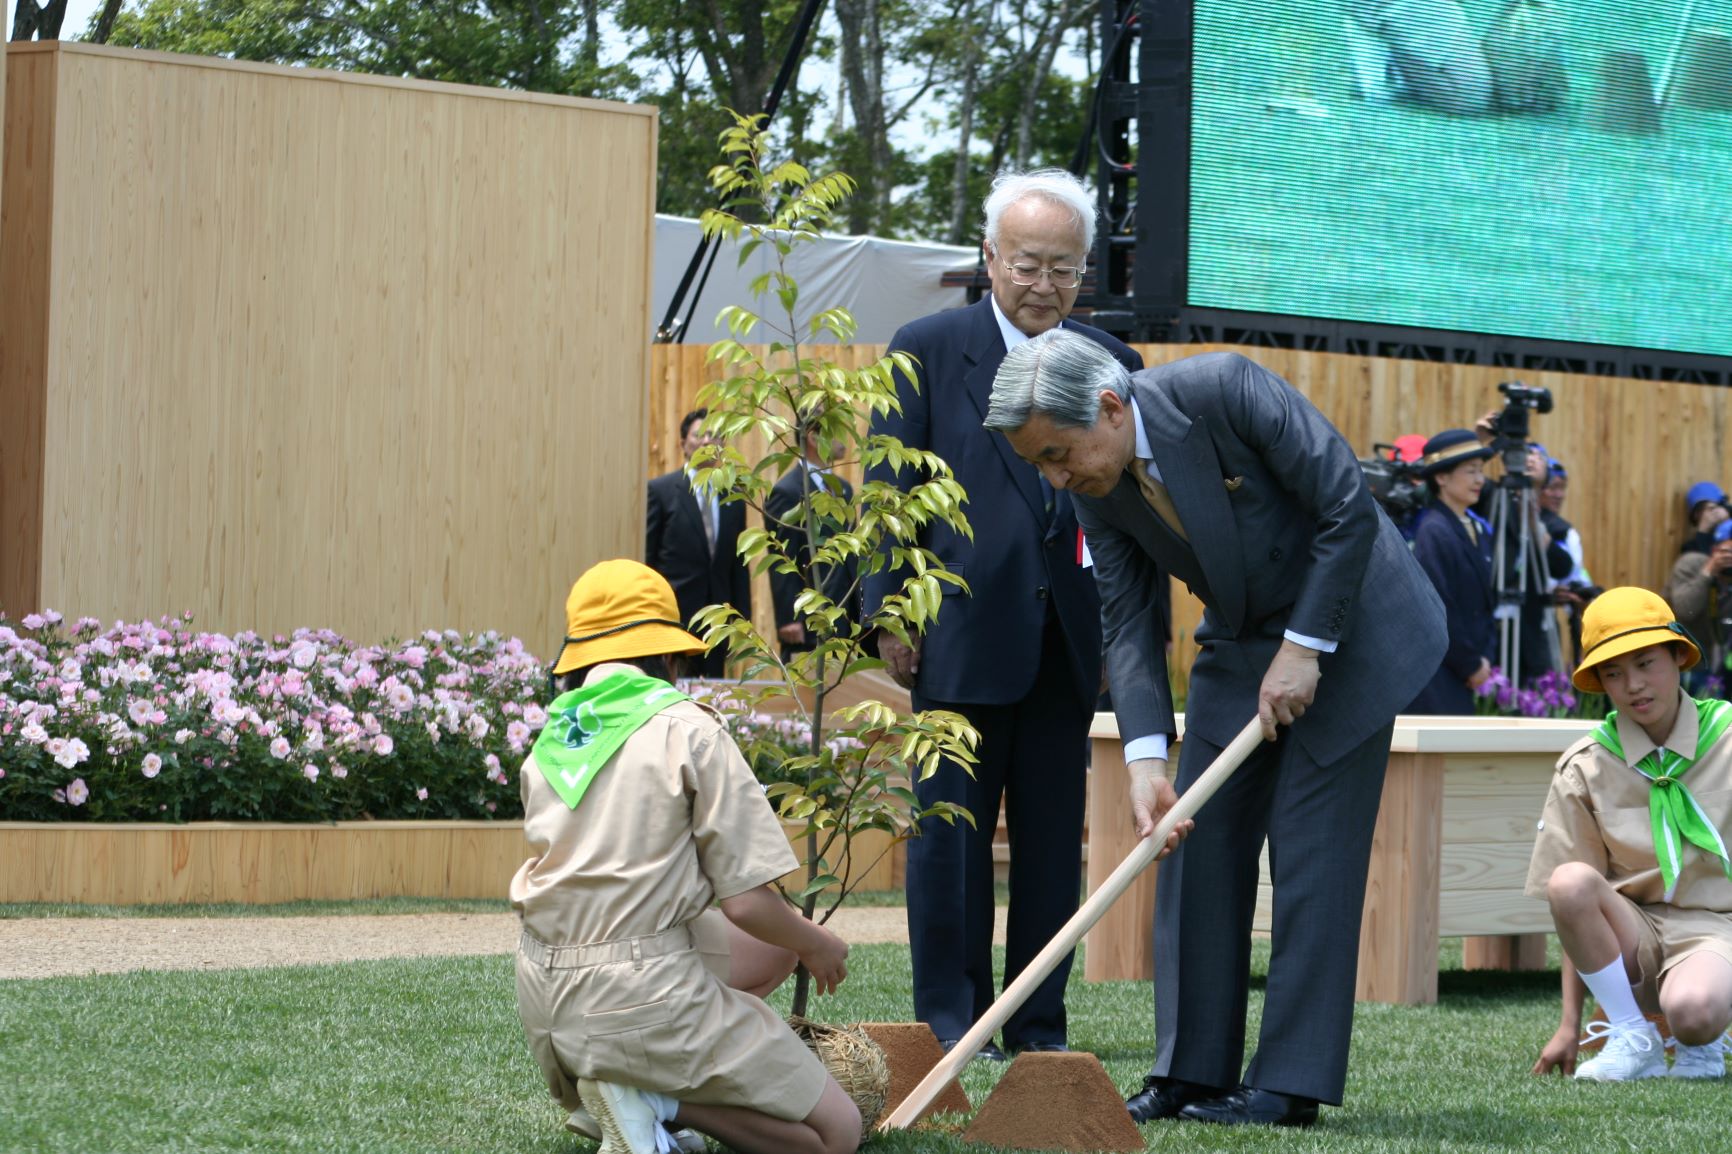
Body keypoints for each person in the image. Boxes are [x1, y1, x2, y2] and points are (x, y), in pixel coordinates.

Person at [982, 329, 1446, 1127]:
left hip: (1354, 617)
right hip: (1240, 637)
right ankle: (1190, 1070)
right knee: (1194, 837)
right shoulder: (1096, 481)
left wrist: (1307, 648)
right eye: (1039, 466)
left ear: (1108, 405)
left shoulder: (1225, 389)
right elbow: (1128, 622)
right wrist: (1144, 761)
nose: (1056, 479)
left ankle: (1288, 1085)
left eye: (1057, 454)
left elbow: (1345, 506)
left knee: (1310, 847)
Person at [862, 167, 1145, 1060]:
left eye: (1064, 268)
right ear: (990, 258)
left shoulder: (1114, 367)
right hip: (954, 642)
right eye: (1027, 264)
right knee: (948, 848)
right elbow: (884, 493)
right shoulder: (926, 348)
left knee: (1054, 856)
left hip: (1070, 648)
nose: (1045, 285)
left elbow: (1133, 520)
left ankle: (1034, 1027)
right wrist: (890, 610)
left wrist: (1127, 641)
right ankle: (950, 1024)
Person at [511, 559, 861, 1154]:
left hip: (548, 1002)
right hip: (643, 995)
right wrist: (815, 942)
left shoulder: (547, 745)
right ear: (666, 655)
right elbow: (749, 903)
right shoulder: (689, 730)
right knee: (836, 1136)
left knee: (766, 951)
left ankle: (631, 1095)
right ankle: (656, 1098)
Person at [1528, 587, 1732, 1082]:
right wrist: (1569, 1025)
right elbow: (1572, 907)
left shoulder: (1727, 738)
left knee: (1696, 1012)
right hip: (1632, 935)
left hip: (1716, 928)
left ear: (1678, 657)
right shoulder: (1587, 764)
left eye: (1646, 663)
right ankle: (1629, 1034)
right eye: (1613, 673)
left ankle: (1705, 1036)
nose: (1634, 686)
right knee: (1569, 880)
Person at [646, 408, 752, 678]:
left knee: (713, 697)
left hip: (717, 624)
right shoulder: (661, 491)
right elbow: (649, 561)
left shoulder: (735, 498)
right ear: (683, 444)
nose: (706, 441)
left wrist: (741, 623)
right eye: (698, 435)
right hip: (672, 620)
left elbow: (738, 566)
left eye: (714, 435)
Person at [1406, 429, 1496, 714]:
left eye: (1481, 471)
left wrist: (1483, 661)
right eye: (1470, 471)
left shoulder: (1475, 528)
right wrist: (1470, 664)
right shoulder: (1434, 531)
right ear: (1441, 477)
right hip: (1440, 677)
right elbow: (1439, 607)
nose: (1479, 480)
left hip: (1464, 673)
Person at [765, 429, 857, 663]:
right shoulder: (787, 491)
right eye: (836, 429)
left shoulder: (843, 489)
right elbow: (781, 555)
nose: (844, 437)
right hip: (807, 621)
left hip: (844, 615)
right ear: (814, 437)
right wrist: (788, 616)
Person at [1662, 520, 1732, 695]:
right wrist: (1709, 571)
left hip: (1716, 668)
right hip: (1681, 663)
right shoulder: (1691, 564)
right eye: (1727, 551)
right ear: (1714, 550)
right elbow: (1686, 609)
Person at [1679, 481, 1729, 559]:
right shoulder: (1690, 547)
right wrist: (1703, 530)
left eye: (1717, 507)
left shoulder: (1727, 535)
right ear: (1697, 515)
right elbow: (1702, 566)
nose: (1716, 513)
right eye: (1711, 508)